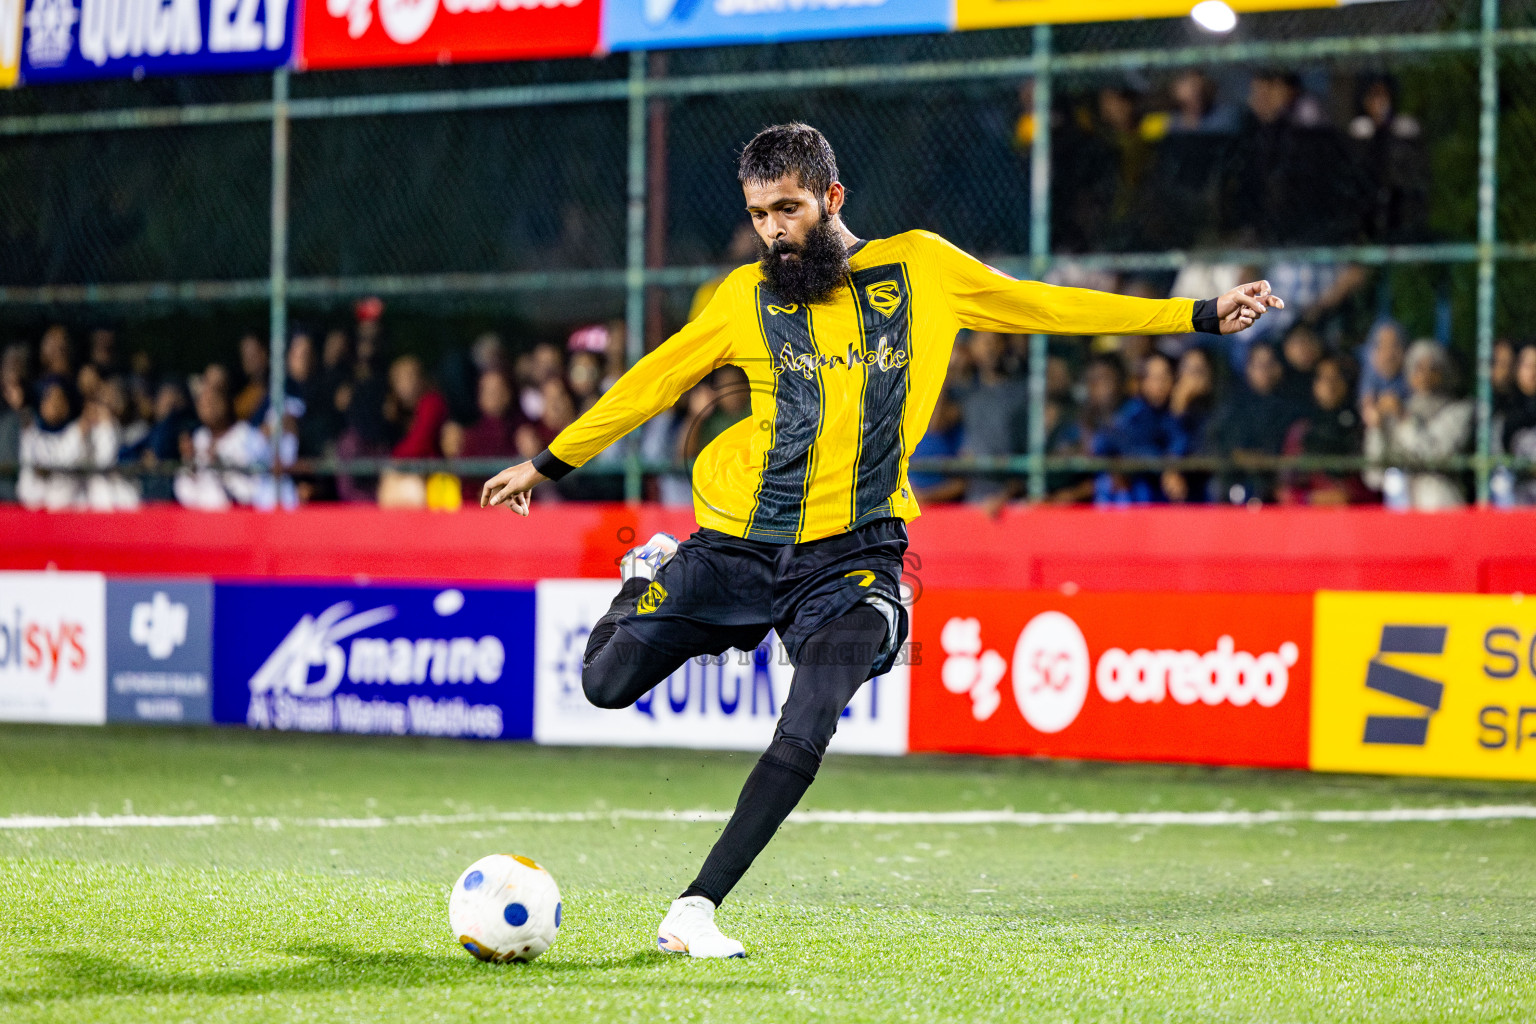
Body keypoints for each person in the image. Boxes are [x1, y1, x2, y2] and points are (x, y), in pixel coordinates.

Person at [476, 123, 1281, 959]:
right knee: (603, 684)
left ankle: (696, 908)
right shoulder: (740, 300)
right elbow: (655, 378)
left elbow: (1041, 302)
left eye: (788, 208)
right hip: (740, 543)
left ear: (832, 198)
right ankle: (654, 571)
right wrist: (550, 462)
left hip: (854, 556)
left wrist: (1195, 315)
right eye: (758, 214)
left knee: (811, 712)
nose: (774, 231)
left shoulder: (920, 267)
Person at [1364, 340, 1473, 510]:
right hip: (1400, 509)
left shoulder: (1459, 410)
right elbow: (1374, 477)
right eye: (1418, 367)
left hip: (1440, 506)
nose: (1425, 375)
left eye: (1433, 368)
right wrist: (1376, 428)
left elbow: (1435, 456)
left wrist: (1405, 419)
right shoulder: (1397, 410)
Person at [1280, 354, 1369, 506]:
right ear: (1314, 384)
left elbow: (1375, 485)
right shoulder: (1301, 430)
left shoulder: (1361, 427)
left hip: (1355, 517)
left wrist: (1348, 496)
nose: (1330, 385)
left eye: (1336, 378)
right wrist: (1312, 499)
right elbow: (1285, 489)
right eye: (1323, 378)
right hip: (1309, 518)